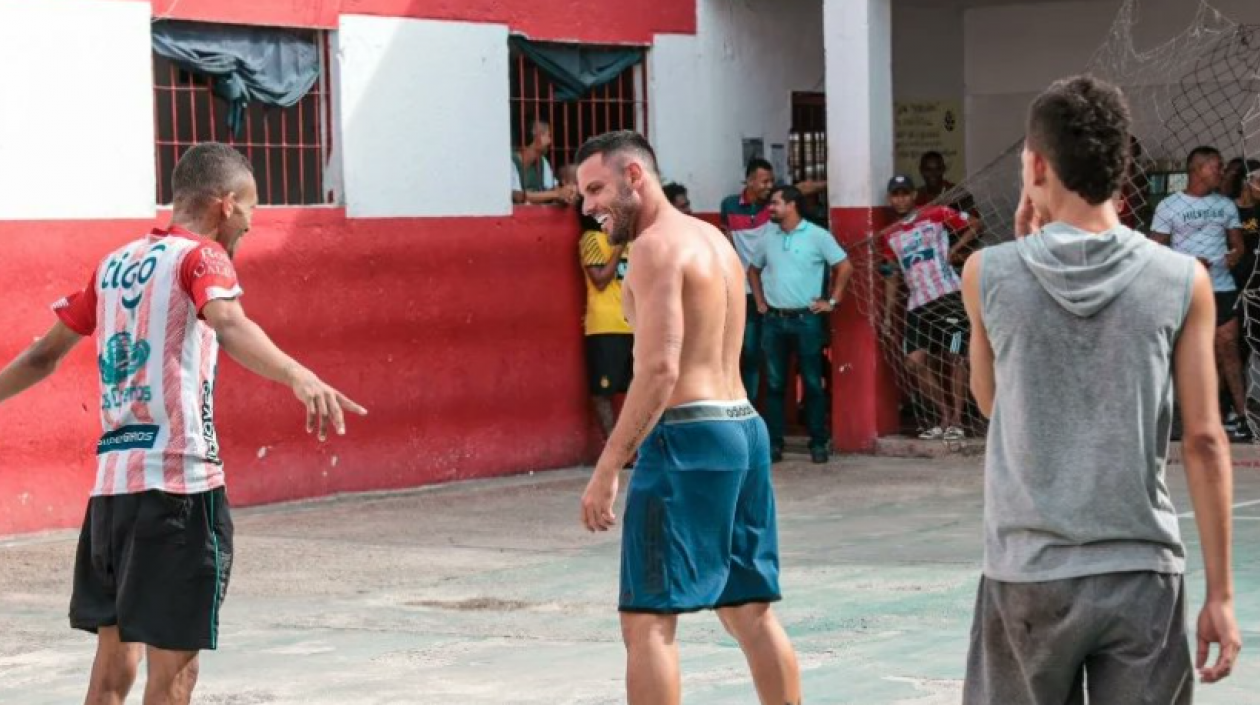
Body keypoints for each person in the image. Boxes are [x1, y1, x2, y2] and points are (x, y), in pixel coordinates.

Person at [0, 143, 367, 705]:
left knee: (110, 671)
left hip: (112, 494)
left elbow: (41, 357)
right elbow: (228, 321)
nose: (250, 223)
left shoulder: (114, 264)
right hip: (179, 489)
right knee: (174, 676)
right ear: (224, 204)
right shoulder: (204, 258)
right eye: (249, 208)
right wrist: (299, 375)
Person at [961, 75, 1240, 703]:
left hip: (1027, 573)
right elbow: (1203, 439)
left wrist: (1024, 244)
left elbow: (991, 404)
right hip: (1141, 572)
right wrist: (1220, 594)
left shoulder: (987, 274)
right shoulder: (1182, 278)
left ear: (1036, 165)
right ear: (1125, 168)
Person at [575, 131, 800, 705]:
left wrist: (607, 467)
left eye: (596, 189)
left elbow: (658, 370)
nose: (587, 206)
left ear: (634, 177)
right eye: (582, 195)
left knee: (647, 620)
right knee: (748, 611)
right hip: (743, 429)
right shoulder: (715, 241)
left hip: (688, 436)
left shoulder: (652, 249)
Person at [1152, 146, 1249, 442]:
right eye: (1217, 166)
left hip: (1221, 286)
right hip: (1187, 287)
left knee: (1228, 349)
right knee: (1194, 355)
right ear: (1198, 169)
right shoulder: (1169, 206)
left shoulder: (1226, 206)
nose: (1222, 172)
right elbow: (1153, 248)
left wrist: (1234, 255)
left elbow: (1239, 245)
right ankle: (1198, 418)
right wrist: (1188, 262)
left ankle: (1245, 417)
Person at [748, 185, 852, 463]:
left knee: (812, 383)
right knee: (774, 385)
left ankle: (818, 442)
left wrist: (833, 301)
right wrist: (759, 301)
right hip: (774, 319)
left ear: (792, 205)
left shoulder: (818, 236)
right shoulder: (767, 237)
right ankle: (774, 443)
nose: (770, 208)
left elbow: (844, 265)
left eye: (775, 203)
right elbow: (753, 270)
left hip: (807, 319)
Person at [881, 174, 978, 441]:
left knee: (956, 356)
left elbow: (975, 224)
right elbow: (892, 276)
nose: (900, 199)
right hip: (918, 304)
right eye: (895, 194)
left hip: (948, 296)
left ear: (914, 195)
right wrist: (889, 315)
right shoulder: (889, 234)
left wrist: (954, 250)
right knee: (913, 362)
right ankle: (944, 414)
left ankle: (957, 420)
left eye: (905, 193)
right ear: (890, 199)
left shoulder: (936, 214)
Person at [721, 158, 777, 404]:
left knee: (775, 355)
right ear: (751, 180)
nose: (769, 186)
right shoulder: (730, 206)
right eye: (764, 181)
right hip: (745, 293)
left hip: (774, 291)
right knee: (750, 352)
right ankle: (750, 408)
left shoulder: (775, 205)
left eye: (771, 181)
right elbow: (727, 242)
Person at [577, 197, 633, 439]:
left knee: (638, 388)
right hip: (606, 325)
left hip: (634, 324)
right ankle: (614, 447)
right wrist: (618, 248)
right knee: (602, 391)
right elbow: (600, 280)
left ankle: (634, 446)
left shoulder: (632, 243)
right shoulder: (591, 239)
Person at [511, 118, 577, 205]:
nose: (550, 141)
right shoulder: (510, 161)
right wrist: (556, 194)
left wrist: (566, 194)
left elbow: (554, 188)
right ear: (538, 137)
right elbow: (517, 195)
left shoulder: (542, 161)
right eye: (548, 136)